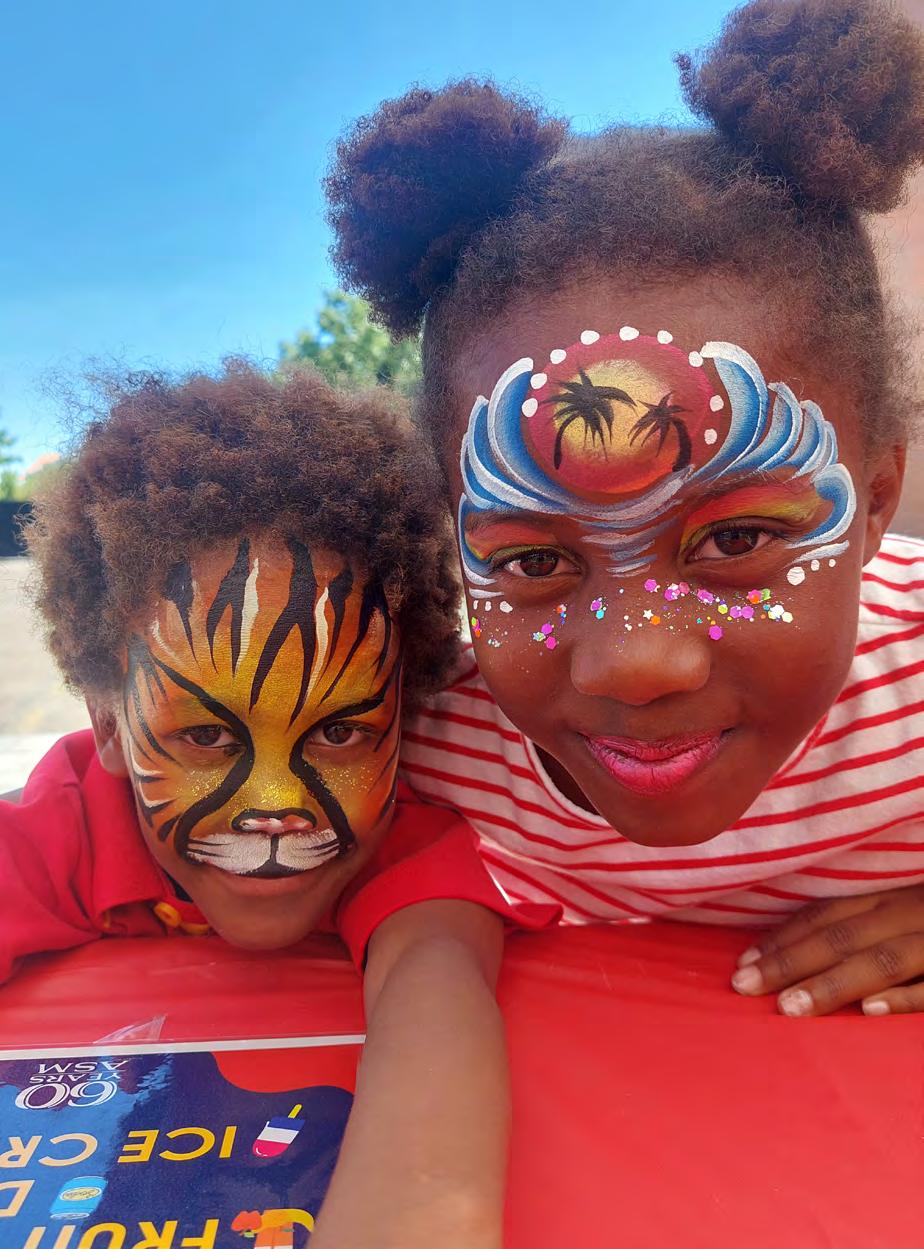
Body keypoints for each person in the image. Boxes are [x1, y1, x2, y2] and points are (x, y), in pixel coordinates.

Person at [321, 0, 924, 1235]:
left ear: (872, 506)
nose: (635, 663)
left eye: (739, 541)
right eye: (536, 558)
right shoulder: (422, 740)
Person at [0, 363, 553, 1248]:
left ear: (403, 714)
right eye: (205, 736)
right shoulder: (64, 824)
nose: (273, 806)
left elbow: (435, 1016)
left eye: (338, 732)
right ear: (107, 723)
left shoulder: (405, 844)